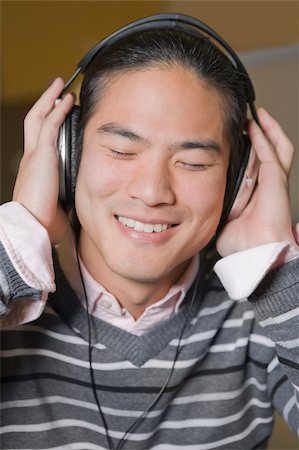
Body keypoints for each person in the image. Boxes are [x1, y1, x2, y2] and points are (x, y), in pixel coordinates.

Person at [0, 13, 298, 450]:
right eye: (122, 149)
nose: (152, 191)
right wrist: (24, 232)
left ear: (238, 179)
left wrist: (278, 271)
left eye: (193, 162)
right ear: (69, 154)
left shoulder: (268, 315)